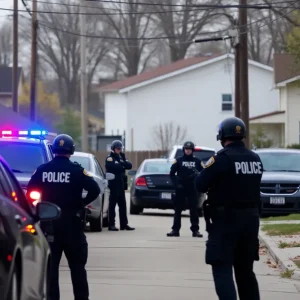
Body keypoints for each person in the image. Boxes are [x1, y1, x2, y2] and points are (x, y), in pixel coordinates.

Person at [194, 117, 263, 300]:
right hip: (250, 221)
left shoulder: (221, 159)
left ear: (223, 136)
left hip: (226, 221)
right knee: (245, 271)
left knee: (221, 267)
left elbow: (200, 183)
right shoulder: (255, 158)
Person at [27, 134, 100, 300]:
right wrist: (81, 203)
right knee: (77, 268)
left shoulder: (42, 170)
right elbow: (95, 189)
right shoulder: (77, 170)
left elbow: (30, 191)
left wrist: (41, 205)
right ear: (71, 150)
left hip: (49, 226)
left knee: (51, 269)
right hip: (73, 226)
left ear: (53, 150)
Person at [167, 141, 203, 238]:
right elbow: (171, 174)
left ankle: (195, 231)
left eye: (189, 149)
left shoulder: (198, 161)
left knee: (194, 210)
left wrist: (197, 178)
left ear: (192, 150)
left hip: (192, 188)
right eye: (186, 149)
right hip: (180, 188)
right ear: (184, 150)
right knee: (178, 210)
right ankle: (175, 230)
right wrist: (177, 184)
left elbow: (203, 174)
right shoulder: (178, 160)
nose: (188, 151)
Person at [105, 140, 135, 231]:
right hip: (113, 185)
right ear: (113, 149)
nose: (119, 150)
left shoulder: (121, 156)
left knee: (123, 205)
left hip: (121, 184)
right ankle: (111, 225)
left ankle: (124, 224)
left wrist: (121, 163)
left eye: (120, 149)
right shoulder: (109, 158)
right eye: (118, 149)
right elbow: (113, 167)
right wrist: (122, 165)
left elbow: (129, 165)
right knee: (112, 205)